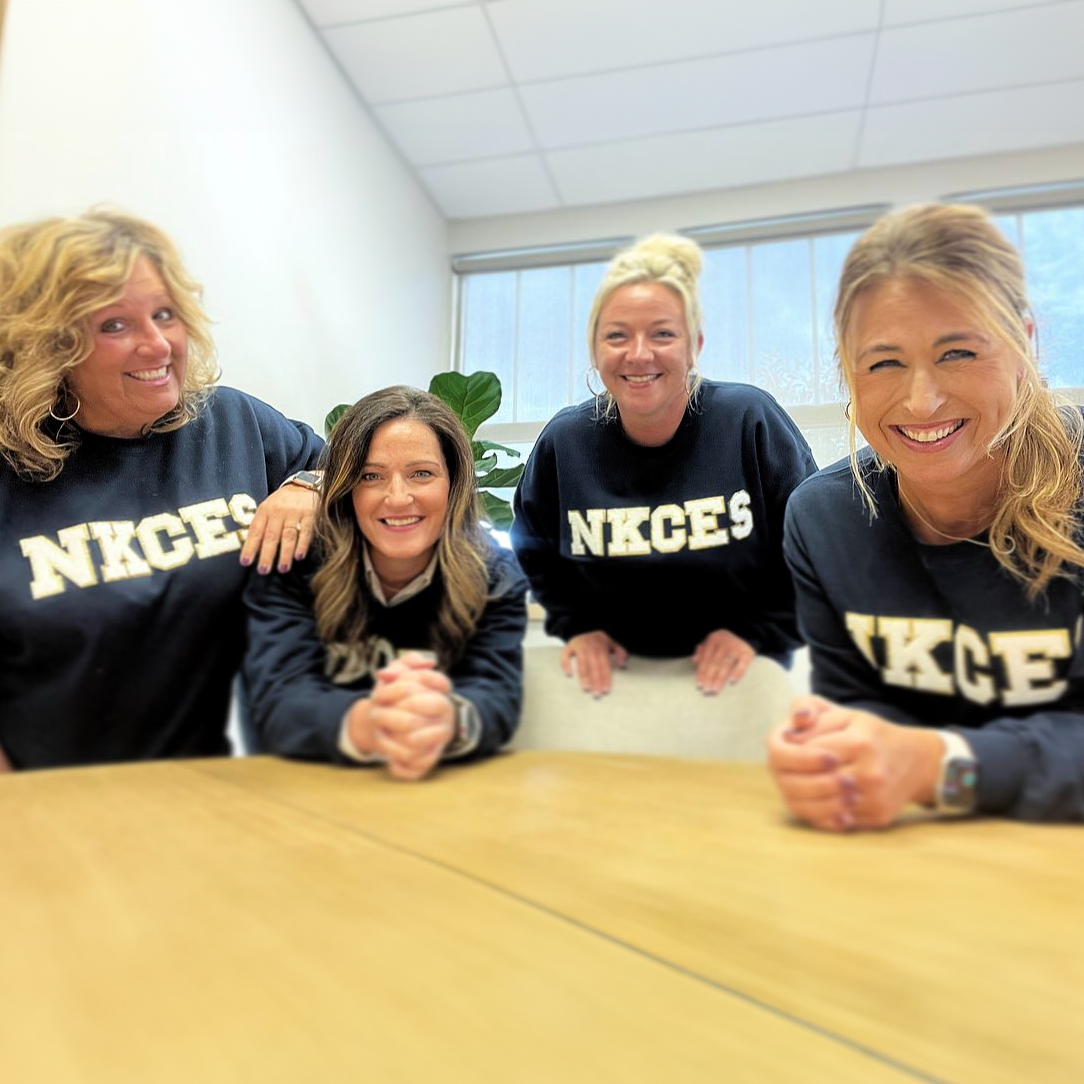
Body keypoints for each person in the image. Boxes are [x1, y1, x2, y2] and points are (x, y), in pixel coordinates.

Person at [768, 202, 1084, 829]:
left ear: (1024, 343)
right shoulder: (822, 521)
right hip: (914, 859)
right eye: (884, 362)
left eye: (959, 353)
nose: (922, 400)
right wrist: (828, 759)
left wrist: (941, 766)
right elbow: (856, 713)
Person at [0, 209, 324, 771]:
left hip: (215, 793)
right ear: (49, 347)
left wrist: (309, 485)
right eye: (115, 325)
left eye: (165, 313)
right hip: (51, 810)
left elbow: (352, 466)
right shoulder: (11, 466)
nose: (157, 345)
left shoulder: (231, 423)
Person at [511, 234, 817, 698]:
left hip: (740, 680)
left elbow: (812, 543)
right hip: (613, 686)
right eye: (617, 335)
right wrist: (576, 625)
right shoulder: (565, 441)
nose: (638, 354)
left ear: (694, 346)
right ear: (595, 348)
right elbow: (533, 545)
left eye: (662, 334)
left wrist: (759, 631)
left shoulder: (749, 421)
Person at [243, 386, 527, 781]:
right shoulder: (294, 561)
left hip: (439, 793)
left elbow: (496, 697)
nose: (397, 498)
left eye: (421, 474)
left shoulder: (494, 573)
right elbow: (278, 699)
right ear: (344, 487)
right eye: (370, 476)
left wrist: (449, 718)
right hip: (306, 792)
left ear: (453, 483)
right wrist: (366, 723)